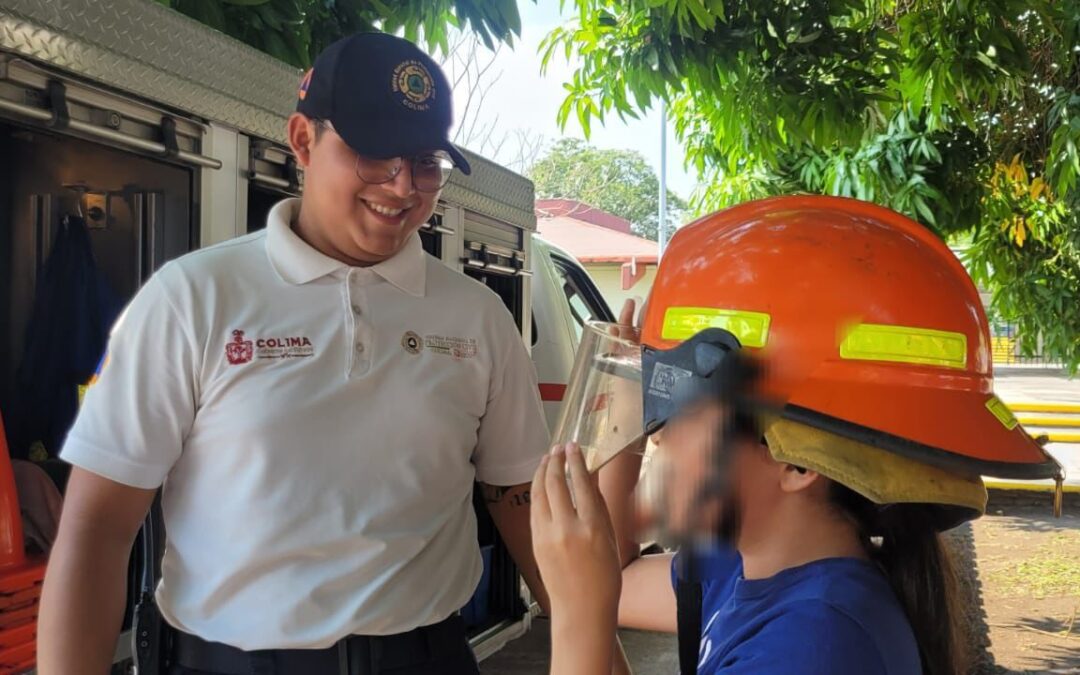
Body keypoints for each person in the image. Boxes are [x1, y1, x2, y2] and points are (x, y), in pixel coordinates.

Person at [38, 32, 551, 675]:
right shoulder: (193, 299)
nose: (401, 186)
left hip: (426, 659)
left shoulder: (477, 317)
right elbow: (96, 530)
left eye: (424, 161)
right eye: (372, 152)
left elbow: (516, 491)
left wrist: (591, 634)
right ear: (303, 140)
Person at [531, 196, 1063, 675]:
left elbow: (595, 602)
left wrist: (576, 618)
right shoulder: (741, 567)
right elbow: (611, 581)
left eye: (681, 413)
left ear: (798, 463)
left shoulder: (816, 647)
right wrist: (630, 392)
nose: (657, 439)